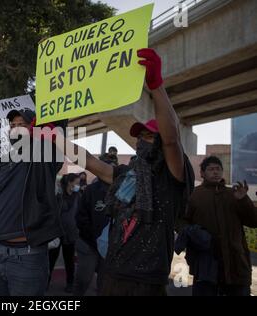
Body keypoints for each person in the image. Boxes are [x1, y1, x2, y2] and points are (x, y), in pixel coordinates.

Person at [53, 48, 195, 296]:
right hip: (113, 272)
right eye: (140, 136)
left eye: (150, 136)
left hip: (146, 279)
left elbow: (172, 140)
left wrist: (156, 85)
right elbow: (89, 161)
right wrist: (53, 136)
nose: (142, 141)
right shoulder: (127, 175)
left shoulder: (172, 175)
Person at [0, 108, 66, 296]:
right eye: (12, 125)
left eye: (22, 125)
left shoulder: (43, 157)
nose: (16, 129)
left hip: (28, 258)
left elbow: (59, 126)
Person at [183, 156, 257, 296]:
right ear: (202, 173)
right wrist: (194, 236)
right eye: (211, 169)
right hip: (205, 265)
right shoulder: (194, 196)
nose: (215, 172)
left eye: (218, 169)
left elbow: (253, 222)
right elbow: (182, 222)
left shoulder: (233, 194)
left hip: (236, 264)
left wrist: (243, 200)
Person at [73, 155, 113, 296]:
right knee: (83, 279)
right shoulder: (91, 190)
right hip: (89, 244)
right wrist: (95, 240)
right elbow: (81, 217)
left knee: (105, 283)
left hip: (111, 247)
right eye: (106, 164)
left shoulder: (123, 190)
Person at [48, 173, 80, 293]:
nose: (78, 185)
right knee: (51, 259)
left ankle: (70, 283)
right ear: (69, 183)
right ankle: (46, 281)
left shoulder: (77, 196)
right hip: (57, 232)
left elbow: (79, 213)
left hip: (70, 233)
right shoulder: (58, 196)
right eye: (77, 182)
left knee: (69, 260)